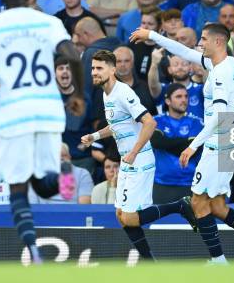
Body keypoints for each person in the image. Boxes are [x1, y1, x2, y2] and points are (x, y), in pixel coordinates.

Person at [130, 23, 234, 264]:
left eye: (203, 39)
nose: (200, 43)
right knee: (218, 206)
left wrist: (193, 146)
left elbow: (218, 116)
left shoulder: (221, 74)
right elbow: (186, 52)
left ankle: (219, 262)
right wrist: (151, 35)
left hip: (218, 145)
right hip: (225, 144)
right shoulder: (224, 62)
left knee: (199, 203)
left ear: (218, 42)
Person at [0, 0, 85, 264]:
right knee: (44, 185)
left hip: (15, 114)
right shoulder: (48, 22)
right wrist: (77, 94)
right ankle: (66, 169)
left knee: (18, 186)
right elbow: (74, 57)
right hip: (49, 109)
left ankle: (33, 251)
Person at [80, 50, 195, 260]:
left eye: (99, 68)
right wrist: (95, 136)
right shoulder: (106, 93)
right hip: (127, 160)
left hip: (139, 159)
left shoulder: (123, 92)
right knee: (120, 216)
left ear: (112, 70)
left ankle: (180, 206)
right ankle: (149, 263)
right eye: (93, 68)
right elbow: (117, 125)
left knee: (131, 218)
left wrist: (134, 152)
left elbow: (150, 123)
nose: (94, 72)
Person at [151, 83, 202, 203]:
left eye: (186, 96)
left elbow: (194, 150)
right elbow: (157, 142)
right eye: (178, 96)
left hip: (189, 184)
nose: (184, 100)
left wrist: (166, 142)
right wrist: (184, 145)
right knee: (161, 222)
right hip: (162, 184)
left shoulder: (196, 122)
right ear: (168, 101)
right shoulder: (157, 121)